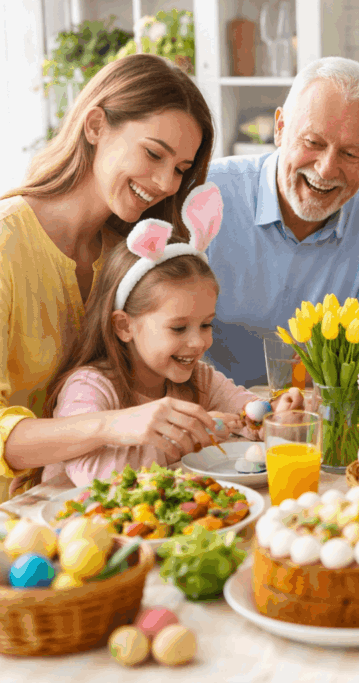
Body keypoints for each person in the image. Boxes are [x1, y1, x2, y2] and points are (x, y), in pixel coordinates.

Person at [0, 54, 220, 501]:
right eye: (153, 153)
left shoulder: (131, 253)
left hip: (99, 503)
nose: (165, 183)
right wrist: (113, 425)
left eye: (180, 168)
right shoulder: (7, 243)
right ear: (96, 125)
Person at [41, 187, 302, 487]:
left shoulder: (200, 379)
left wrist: (276, 416)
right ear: (124, 326)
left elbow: (246, 413)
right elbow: (101, 477)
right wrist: (190, 439)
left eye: (206, 325)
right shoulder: (90, 388)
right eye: (179, 328)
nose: (198, 342)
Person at [204, 57, 359, 387]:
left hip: (312, 413)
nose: (326, 169)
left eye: (350, 154)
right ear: (280, 128)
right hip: (207, 409)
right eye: (313, 142)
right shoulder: (209, 193)